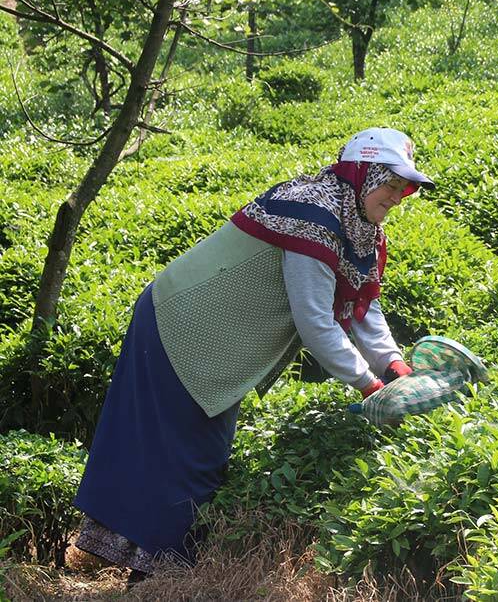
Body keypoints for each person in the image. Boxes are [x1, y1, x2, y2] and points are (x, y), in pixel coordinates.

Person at [72, 127, 433, 582]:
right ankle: (162, 576)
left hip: (214, 335)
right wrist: (370, 385)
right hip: (182, 323)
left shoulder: (360, 225)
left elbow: (363, 305)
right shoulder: (316, 215)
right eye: (392, 182)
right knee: (189, 457)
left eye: (406, 187)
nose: (399, 195)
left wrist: (393, 363)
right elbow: (315, 320)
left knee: (189, 453)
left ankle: (154, 573)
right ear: (364, 173)